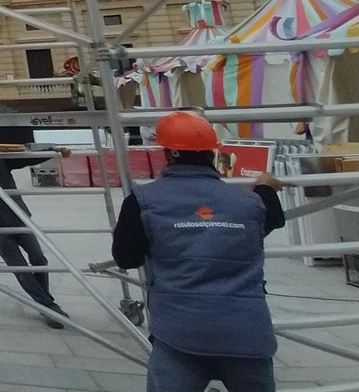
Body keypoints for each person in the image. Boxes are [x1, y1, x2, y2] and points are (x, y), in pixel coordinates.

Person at [113, 110, 285, 392]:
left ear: (166, 153)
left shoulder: (142, 202)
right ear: (213, 154)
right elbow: (272, 216)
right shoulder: (251, 204)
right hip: (247, 335)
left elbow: (126, 257)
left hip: (179, 336)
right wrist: (266, 187)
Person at [0, 128, 73, 327]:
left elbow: (27, 157)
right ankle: (48, 307)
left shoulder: (1, 159)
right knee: (20, 267)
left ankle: (45, 302)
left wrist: (55, 150)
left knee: (38, 258)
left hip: (17, 216)